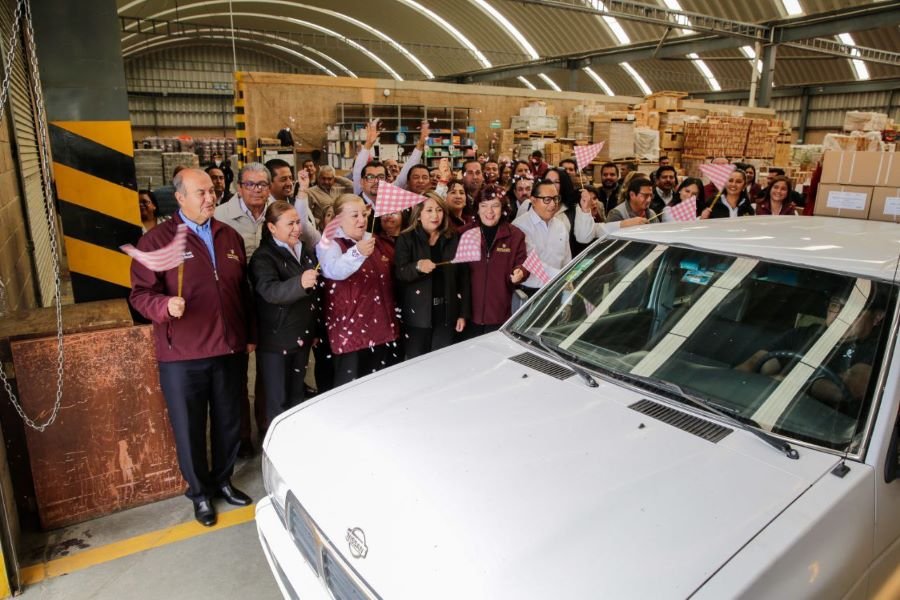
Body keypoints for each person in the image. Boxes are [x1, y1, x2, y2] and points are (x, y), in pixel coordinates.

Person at [129, 168, 254, 527]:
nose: (211, 198)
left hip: (228, 348)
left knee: (230, 421)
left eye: (213, 191)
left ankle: (224, 480)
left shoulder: (229, 236)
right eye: (201, 192)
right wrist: (163, 307)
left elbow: (241, 292)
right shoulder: (156, 241)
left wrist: (248, 334)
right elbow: (140, 294)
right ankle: (199, 494)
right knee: (190, 427)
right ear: (180, 198)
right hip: (182, 354)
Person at [737, 289, 888, 409]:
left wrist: (786, 384)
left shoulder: (880, 350)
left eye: (853, 310)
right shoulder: (804, 334)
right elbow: (758, 361)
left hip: (827, 429)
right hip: (765, 411)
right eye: (835, 306)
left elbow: (846, 388)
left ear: (877, 317)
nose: (839, 316)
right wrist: (733, 380)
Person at [214, 162, 270, 456]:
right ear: (239, 187)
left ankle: (267, 428)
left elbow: (308, 240)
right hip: (235, 303)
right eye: (250, 184)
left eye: (262, 184)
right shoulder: (221, 216)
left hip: (273, 304)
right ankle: (242, 438)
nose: (257, 190)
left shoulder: (280, 210)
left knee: (269, 372)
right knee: (236, 376)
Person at [316, 194, 400, 385]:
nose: (362, 220)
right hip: (351, 334)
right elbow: (333, 271)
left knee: (379, 385)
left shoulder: (376, 241)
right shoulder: (330, 243)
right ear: (338, 220)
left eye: (364, 214)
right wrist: (357, 252)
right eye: (355, 215)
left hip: (381, 328)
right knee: (350, 390)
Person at [248, 201, 319, 423]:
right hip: (276, 341)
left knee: (297, 396)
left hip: (302, 334)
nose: (297, 228)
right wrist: (300, 283)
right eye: (290, 223)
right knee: (277, 401)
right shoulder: (263, 257)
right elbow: (269, 291)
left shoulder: (304, 250)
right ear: (272, 227)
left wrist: (314, 329)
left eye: (298, 222)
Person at [394, 193, 469, 358]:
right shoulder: (406, 238)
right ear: (418, 214)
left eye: (439, 210)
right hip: (416, 317)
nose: (435, 215)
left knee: (442, 363)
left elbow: (463, 278)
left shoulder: (453, 237)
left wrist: (462, 313)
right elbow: (400, 273)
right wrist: (417, 267)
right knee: (416, 365)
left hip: (447, 314)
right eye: (429, 210)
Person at [462, 185, 527, 337]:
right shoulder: (464, 233)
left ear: (503, 208)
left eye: (495, 206)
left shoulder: (515, 235)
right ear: (477, 208)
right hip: (467, 313)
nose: (489, 212)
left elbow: (523, 263)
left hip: (501, 312)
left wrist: (520, 272)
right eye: (484, 206)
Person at [513, 180, 572, 296]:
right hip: (530, 292)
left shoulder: (560, 226)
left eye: (556, 198)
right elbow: (531, 262)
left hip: (558, 289)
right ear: (533, 201)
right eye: (547, 200)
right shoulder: (520, 226)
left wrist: (566, 295)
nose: (553, 204)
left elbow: (567, 262)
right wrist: (561, 277)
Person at [574, 178, 649, 245]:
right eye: (587, 200)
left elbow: (601, 229)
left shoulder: (597, 214)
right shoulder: (574, 220)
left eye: (595, 198)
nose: (593, 202)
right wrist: (586, 210)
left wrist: (628, 223)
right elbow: (585, 236)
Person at [266, 158, 320, 250]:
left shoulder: (297, 202)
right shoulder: (264, 210)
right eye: (283, 179)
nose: (289, 183)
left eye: (290, 178)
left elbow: (312, 236)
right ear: (269, 183)